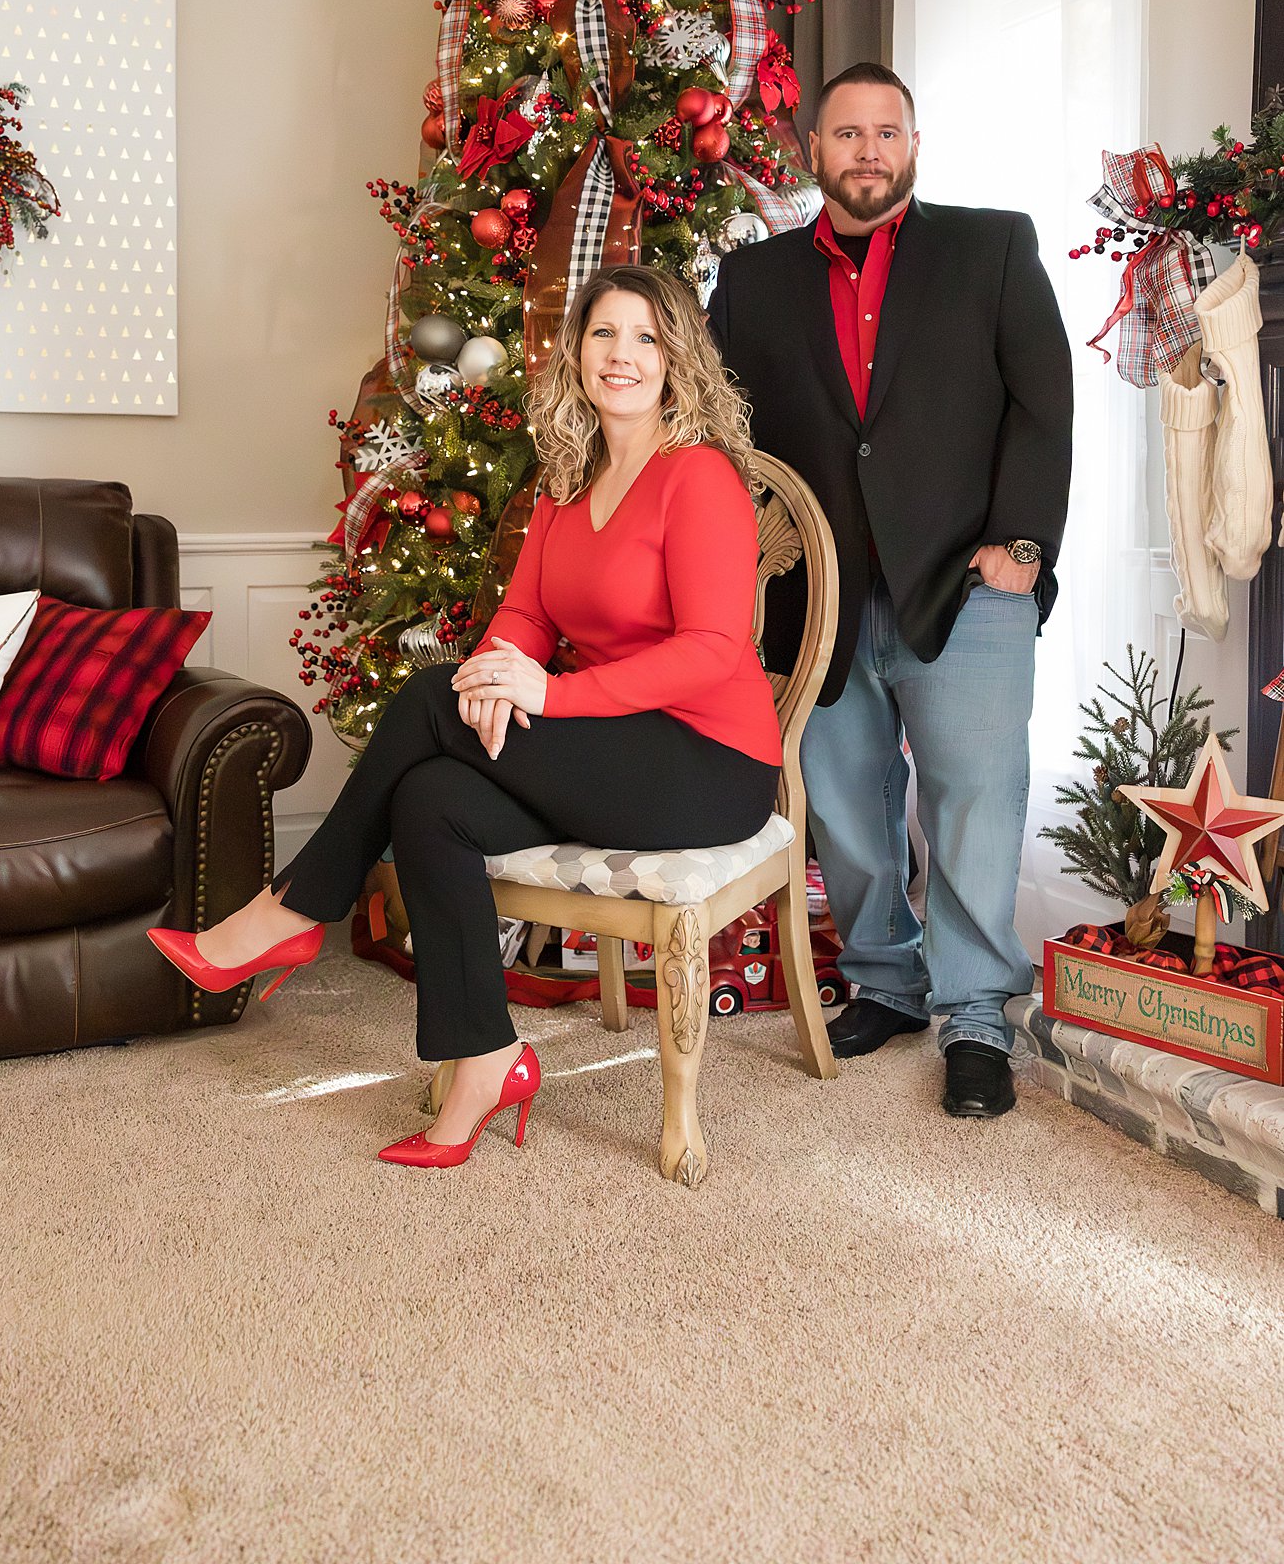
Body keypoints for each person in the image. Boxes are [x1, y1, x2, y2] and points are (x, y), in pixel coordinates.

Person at [149, 265, 783, 1168]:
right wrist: (495, 674)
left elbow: (712, 650)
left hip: (706, 764)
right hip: (607, 749)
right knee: (432, 799)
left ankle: (294, 907)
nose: (623, 356)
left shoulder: (701, 478)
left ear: (679, 356)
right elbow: (526, 614)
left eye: (647, 337)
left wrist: (547, 695)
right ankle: (485, 1056)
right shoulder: (569, 480)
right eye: (605, 334)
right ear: (578, 352)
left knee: (422, 698)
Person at [707, 62, 1073, 1119]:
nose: (867, 149)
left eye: (887, 131)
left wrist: (1021, 545)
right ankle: (885, 980)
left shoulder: (990, 246)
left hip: (968, 580)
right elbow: (730, 440)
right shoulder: (755, 279)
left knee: (971, 802)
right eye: (846, 133)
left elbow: (1041, 406)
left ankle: (971, 1015)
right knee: (850, 808)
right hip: (820, 593)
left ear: (911, 144)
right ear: (811, 151)